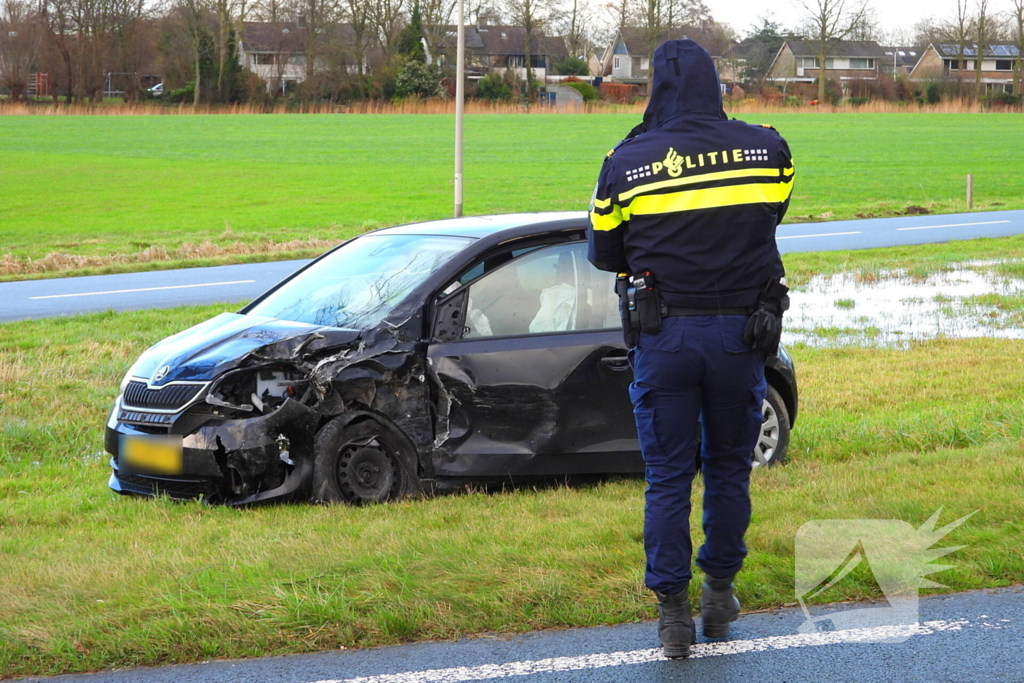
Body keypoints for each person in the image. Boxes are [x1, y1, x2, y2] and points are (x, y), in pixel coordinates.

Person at [587, 39, 794, 659]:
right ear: (716, 84)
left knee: (668, 478)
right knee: (730, 470)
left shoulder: (624, 161)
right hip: (741, 337)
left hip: (666, 337)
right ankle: (720, 593)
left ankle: (673, 616)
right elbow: (771, 215)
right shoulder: (769, 148)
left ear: (655, 88)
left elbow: (604, 252)